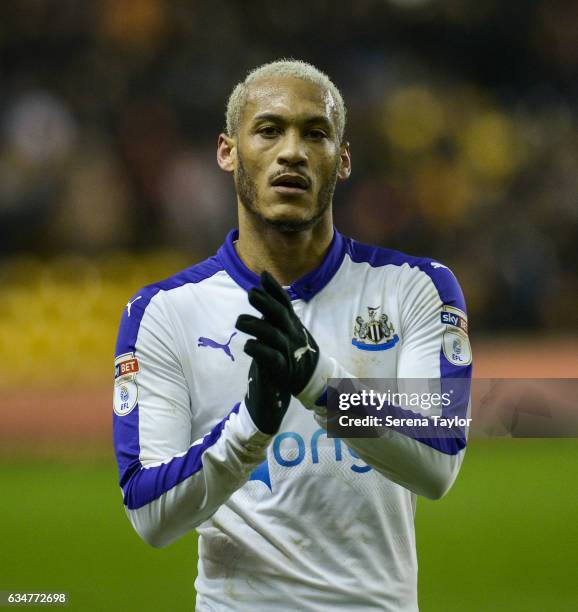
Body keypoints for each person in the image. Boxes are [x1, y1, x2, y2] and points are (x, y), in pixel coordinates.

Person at [113, 59, 472, 611]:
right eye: (269, 129)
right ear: (227, 150)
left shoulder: (416, 289)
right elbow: (149, 516)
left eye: (316, 133)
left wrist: (319, 384)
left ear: (343, 160)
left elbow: (439, 462)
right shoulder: (164, 312)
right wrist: (250, 428)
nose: (293, 152)